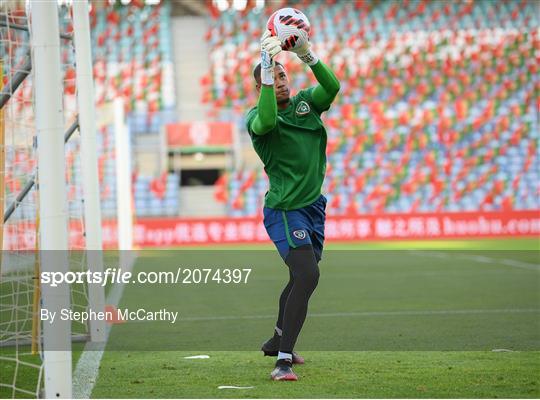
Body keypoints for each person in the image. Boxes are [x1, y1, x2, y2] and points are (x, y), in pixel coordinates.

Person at [245, 30, 340, 381]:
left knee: (299, 276)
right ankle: (282, 360)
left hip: (314, 207)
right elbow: (267, 121)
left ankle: (276, 340)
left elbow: (332, 88)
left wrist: (308, 54)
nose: (281, 82)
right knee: (307, 274)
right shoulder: (256, 118)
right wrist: (266, 72)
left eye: (283, 75)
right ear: (262, 87)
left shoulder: (306, 104)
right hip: (285, 210)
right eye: (273, 78)